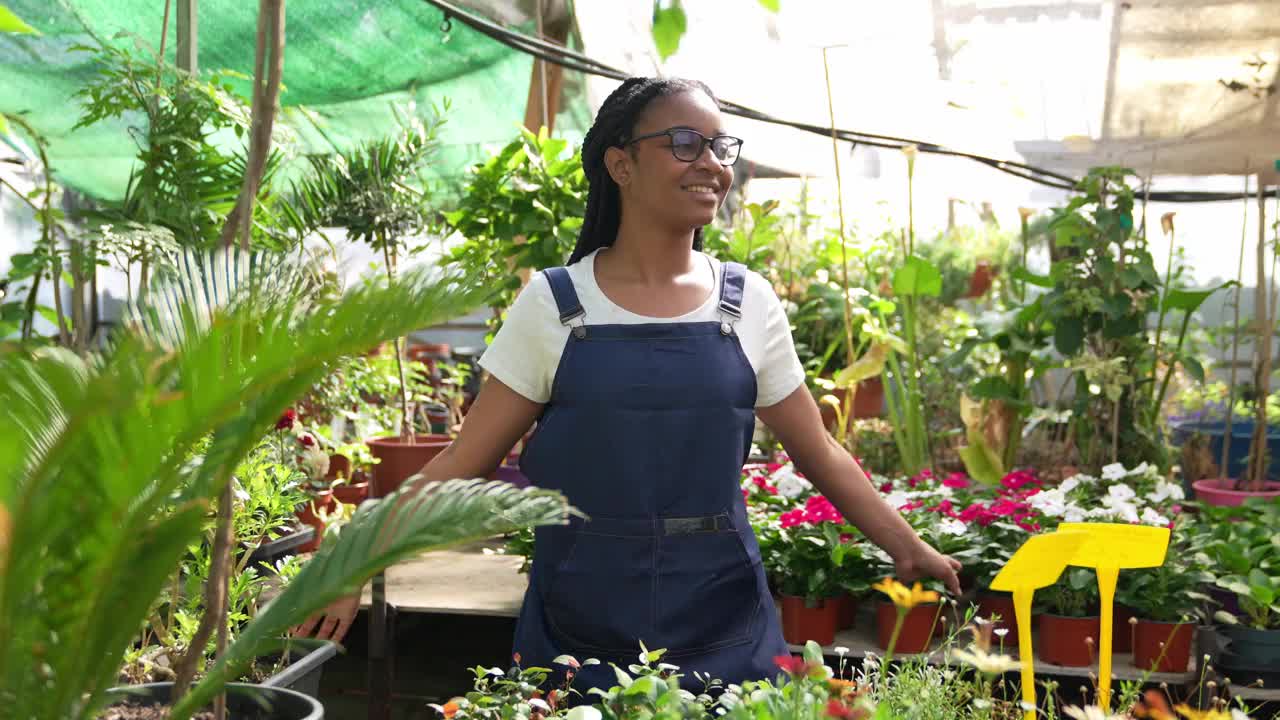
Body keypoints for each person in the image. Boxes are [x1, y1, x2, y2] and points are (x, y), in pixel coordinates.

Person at [296, 76, 961, 689]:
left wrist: (908, 547)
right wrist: (353, 557)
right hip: (582, 614)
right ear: (621, 165)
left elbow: (819, 453)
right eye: (684, 144)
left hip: (723, 609)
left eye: (719, 146)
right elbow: (466, 460)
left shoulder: (746, 302)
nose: (712, 164)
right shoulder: (555, 306)